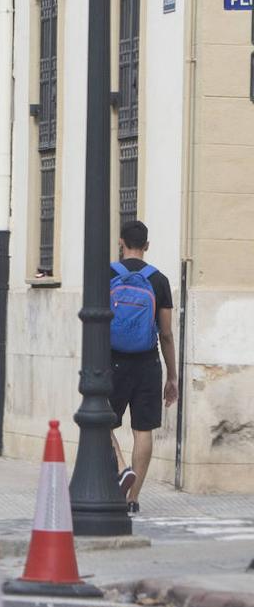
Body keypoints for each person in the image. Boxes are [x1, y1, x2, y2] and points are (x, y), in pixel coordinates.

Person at [109, 220, 177, 515]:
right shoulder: (159, 281)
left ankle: (122, 468)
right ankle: (132, 499)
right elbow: (166, 334)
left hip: (112, 360)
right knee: (143, 429)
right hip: (148, 363)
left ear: (121, 243)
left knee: (100, 423)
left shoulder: (108, 274)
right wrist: (172, 376)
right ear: (147, 246)